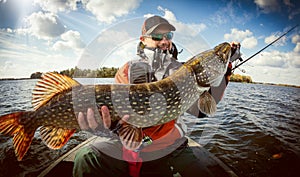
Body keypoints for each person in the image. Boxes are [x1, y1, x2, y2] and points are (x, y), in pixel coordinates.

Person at [73, 16, 232, 177]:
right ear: (143, 40)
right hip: (127, 146)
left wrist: (222, 79)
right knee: (87, 158)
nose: (164, 41)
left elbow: (200, 112)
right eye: (157, 36)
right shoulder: (127, 70)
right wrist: (107, 128)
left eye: (168, 36)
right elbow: (117, 115)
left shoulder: (180, 69)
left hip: (171, 147)